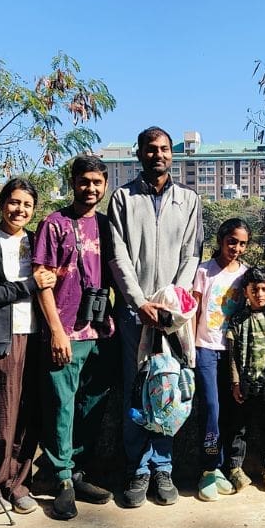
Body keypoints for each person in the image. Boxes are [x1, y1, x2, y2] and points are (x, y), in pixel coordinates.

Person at [108, 126, 203, 508]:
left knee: (168, 388)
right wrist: (139, 303)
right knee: (136, 390)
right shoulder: (123, 198)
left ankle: (163, 467)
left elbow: (192, 254)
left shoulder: (189, 200)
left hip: (172, 316)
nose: (158, 154)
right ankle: (138, 469)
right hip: (135, 314)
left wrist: (171, 301)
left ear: (172, 154)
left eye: (164, 148)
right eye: (151, 149)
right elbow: (117, 256)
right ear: (140, 154)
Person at [33, 155, 116, 520]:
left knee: (91, 405)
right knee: (61, 406)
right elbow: (41, 280)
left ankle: (78, 471)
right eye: (84, 181)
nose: (90, 188)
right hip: (66, 330)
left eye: (97, 182)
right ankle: (61, 478)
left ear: (105, 185)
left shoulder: (107, 225)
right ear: (73, 183)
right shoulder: (54, 223)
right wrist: (55, 331)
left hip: (101, 330)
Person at [0, 178, 55, 515]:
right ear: (2, 203)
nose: (20, 210)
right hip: (1, 338)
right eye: (14, 202)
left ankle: (18, 485)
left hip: (34, 337)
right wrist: (30, 284)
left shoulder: (34, 241)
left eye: (27, 205)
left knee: (28, 417)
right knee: (1, 417)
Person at [191, 219, 250, 501]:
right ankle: (208, 468)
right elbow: (194, 311)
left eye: (242, 244)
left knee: (230, 411)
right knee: (211, 410)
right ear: (221, 239)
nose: (236, 248)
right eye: (232, 242)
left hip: (233, 353)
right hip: (206, 348)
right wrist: (190, 349)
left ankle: (222, 467)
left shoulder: (246, 274)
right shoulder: (204, 270)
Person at [225, 266, 265, 493]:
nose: (259, 294)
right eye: (254, 289)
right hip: (244, 386)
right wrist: (235, 383)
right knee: (238, 428)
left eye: (264, 289)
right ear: (246, 292)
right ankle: (235, 469)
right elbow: (232, 354)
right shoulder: (238, 319)